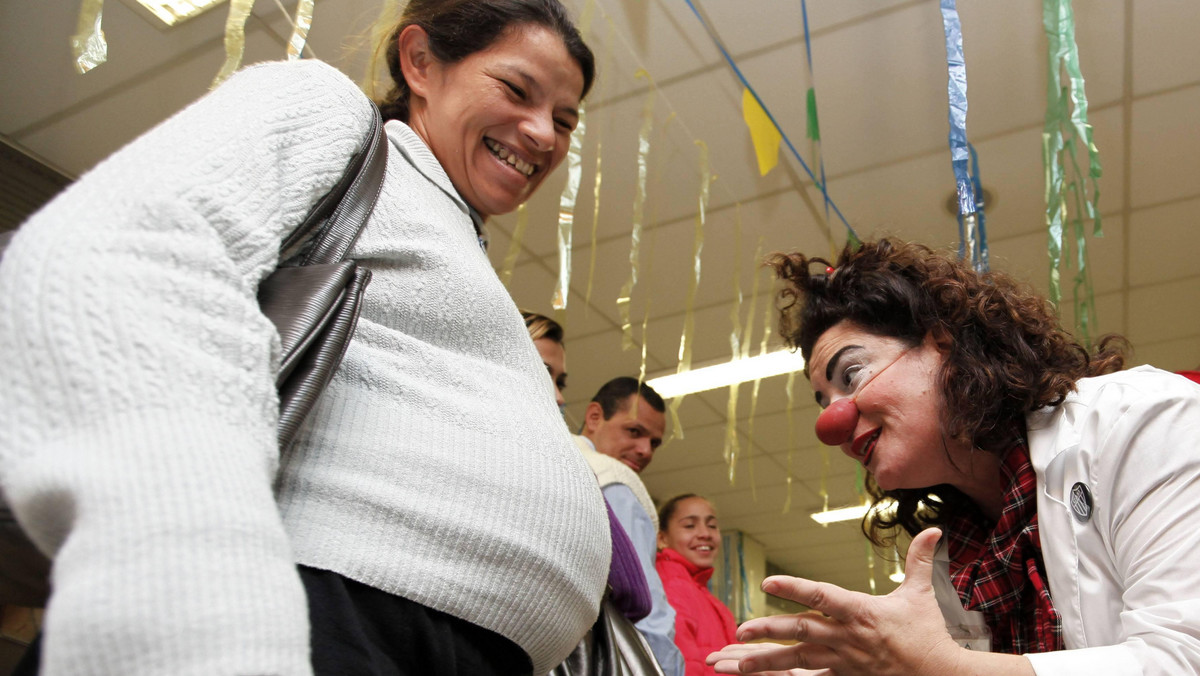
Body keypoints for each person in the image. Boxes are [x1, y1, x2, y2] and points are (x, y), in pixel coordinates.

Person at [0, 1, 611, 674]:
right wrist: (196, 597)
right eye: (517, 90)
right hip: (305, 622)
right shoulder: (334, 115)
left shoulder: (459, 242)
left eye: (563, 119)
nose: (542, 134)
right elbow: (118, 258)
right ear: (420, 62)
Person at [707, 237, 1200, 676]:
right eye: (824, 402)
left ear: (942, 344)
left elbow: (1184, 656)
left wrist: (942, 667)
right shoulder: (952, 553)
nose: (831, 424)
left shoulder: (1139, 419)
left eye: (851, 375)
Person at [522, 310, 652, 624]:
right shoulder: (556, 466)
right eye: (542, 372)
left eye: (561, 382)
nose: (558, 398)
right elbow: (635, 594)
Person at [576, 377, 686, 676]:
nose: (645, 450)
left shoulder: (553, 463)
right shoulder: (613, 480)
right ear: (594, 416)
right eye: (634, 431)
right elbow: (646, 607)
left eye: (653, 442)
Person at [656, 494, 737, 676]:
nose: (705, 534)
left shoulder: (702, 594)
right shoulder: (671, 585)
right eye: (689, 526)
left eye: (712, 526)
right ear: (662, 538)